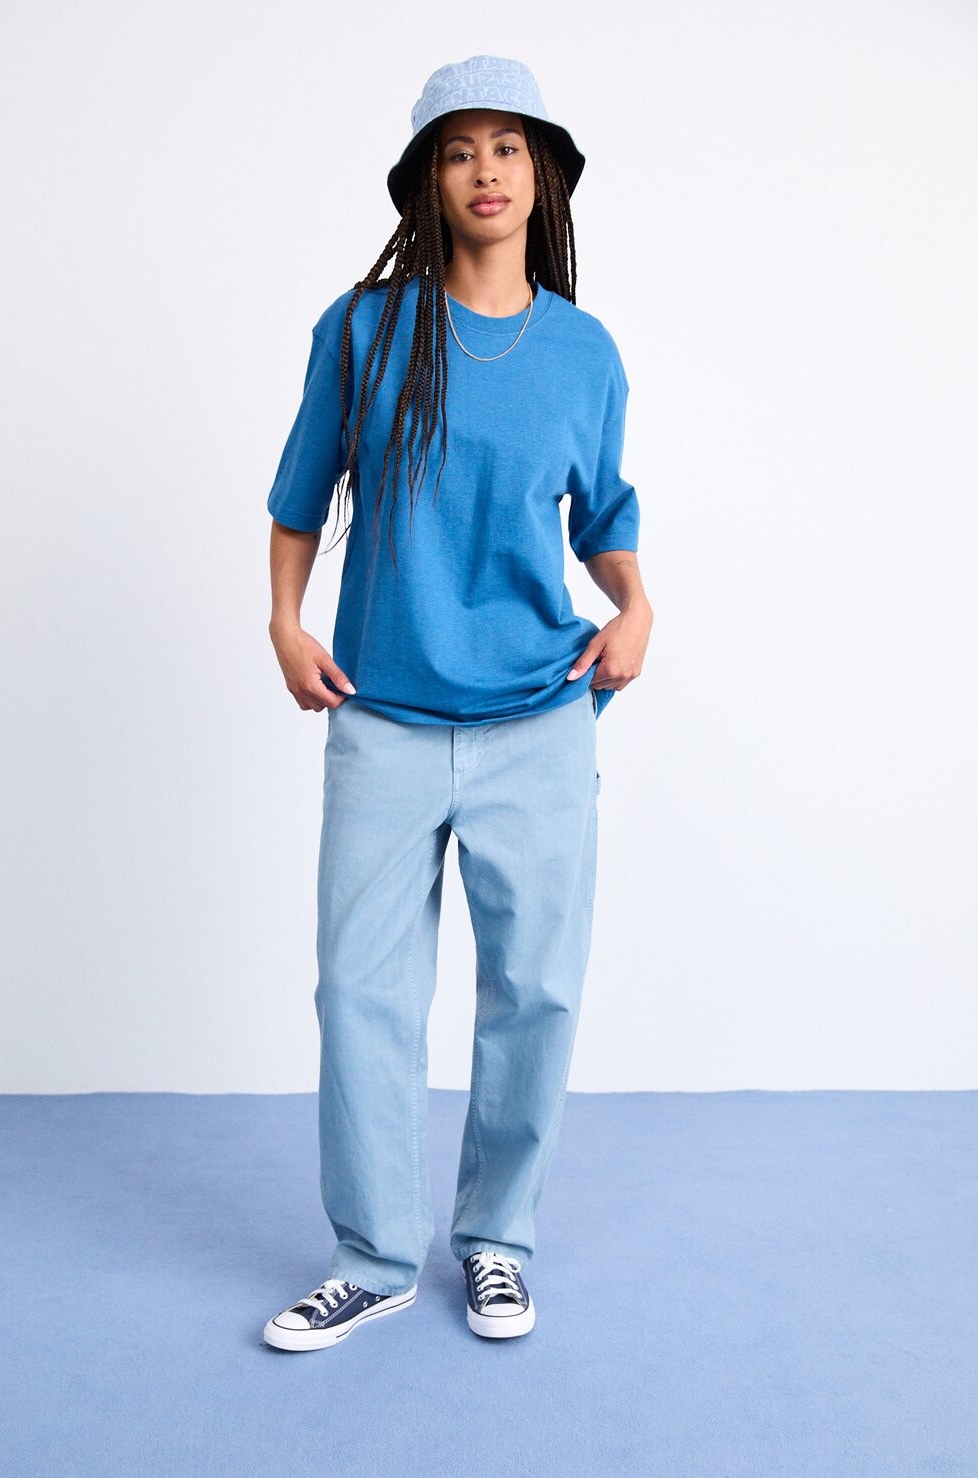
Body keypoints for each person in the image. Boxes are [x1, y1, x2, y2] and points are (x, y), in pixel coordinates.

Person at [262, 54, 654, 1352]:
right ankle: (374, 1256)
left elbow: (604, 513)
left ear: (544, 176)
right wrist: (286, 622)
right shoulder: (366, 331)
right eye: (457, 149)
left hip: (539, 717)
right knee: (359, 992)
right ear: (426, 181)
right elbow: (301, 492)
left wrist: (636, 605)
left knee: (534, 993)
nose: (484, 170)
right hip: (382, 713)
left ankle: (497, 1243)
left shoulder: (584, 351)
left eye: (507, 146)